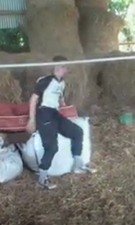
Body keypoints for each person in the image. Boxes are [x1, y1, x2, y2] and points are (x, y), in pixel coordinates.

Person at [25, 55, 97, 190]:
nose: (67, 70)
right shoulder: (44, 81)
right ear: (59, 67)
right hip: (44, 114)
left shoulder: (62, 83)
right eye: (65, 67)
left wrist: (66, 107)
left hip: (55, 113)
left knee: (77, 132)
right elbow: (33, 100)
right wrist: (31, 120)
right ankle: (42, 179)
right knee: (52, 147)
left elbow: (60, 99)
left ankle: (78, 164)